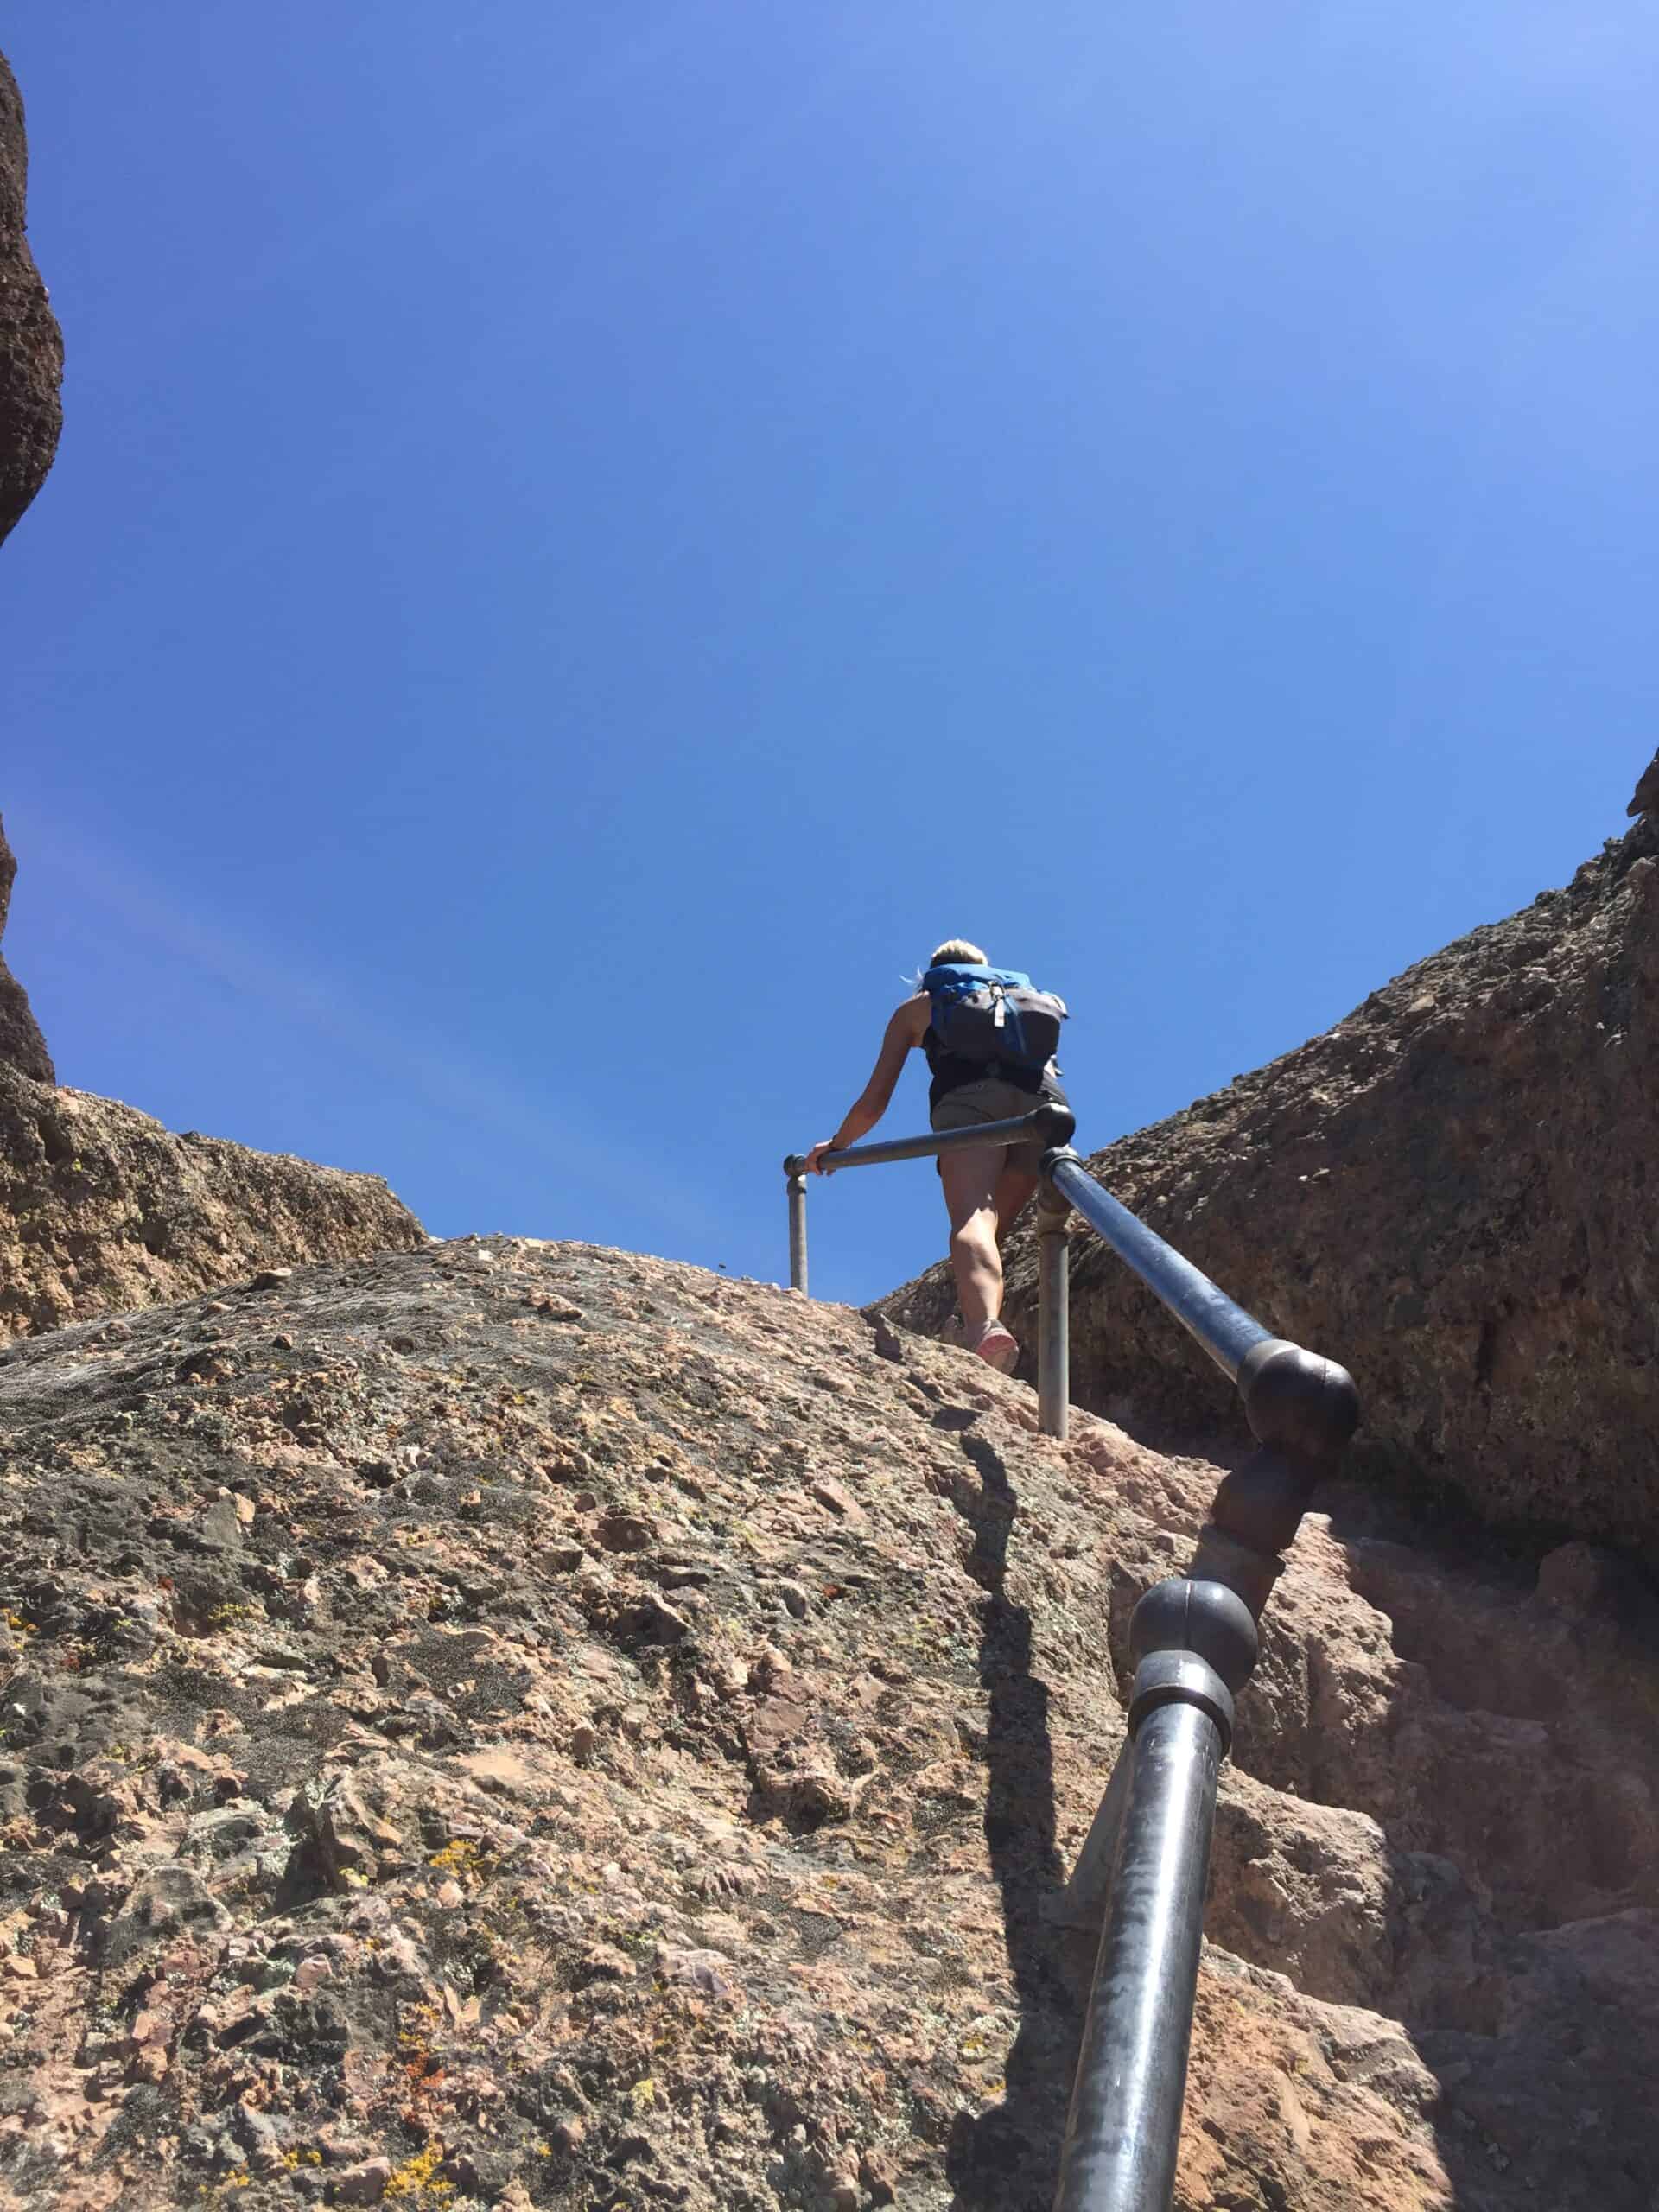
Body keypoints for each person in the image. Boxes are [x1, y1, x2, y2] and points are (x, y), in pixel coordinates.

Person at [805, 939, 1070, 1373]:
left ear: (931, 971)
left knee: (974, 1219)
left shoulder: (919, 1007)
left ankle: (985, 1328)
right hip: (1045, 1107)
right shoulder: (1018, 997)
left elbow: (874, 1103)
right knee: (995, 1227)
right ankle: (976, 1322)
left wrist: (837, 1146)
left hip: (971, 1107)